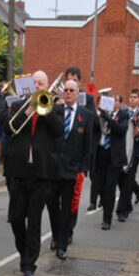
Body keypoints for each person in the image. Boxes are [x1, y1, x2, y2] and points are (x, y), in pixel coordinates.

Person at [5, 70, 63, 276]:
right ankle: (23, 254)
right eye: (35, 82)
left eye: (41, 83)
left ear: (47, 86)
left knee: (35, 219)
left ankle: (29, 264)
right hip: (19, 171)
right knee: (16, 218)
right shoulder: (20, 105)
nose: (38, 85)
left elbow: (58, 131)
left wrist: (44, 109)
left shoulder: (55, 107)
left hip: (42, 173)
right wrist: (29, 109)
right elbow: (8, 127)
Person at [46, 79, 92, 260]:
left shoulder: (85, 115)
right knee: (51, 205)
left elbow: (88, 145)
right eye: (65, 90)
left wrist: (84, 169)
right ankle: (55, 236)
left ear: (78, 93)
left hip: (72, 170)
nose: (68, 93)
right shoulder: (55, 110)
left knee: (67, 209)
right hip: (53, 168)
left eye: (72, 90)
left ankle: (62, 244)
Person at [95, 92, 130, 230]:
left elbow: (120, 130)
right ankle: (104, 205)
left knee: (110, 188)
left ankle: (107, 219)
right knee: (100, 186)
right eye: (112, 100)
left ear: (120, 103)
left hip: (114, 156)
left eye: (116, 100)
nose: (113, 102)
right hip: (101, 153)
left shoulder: (124, 116)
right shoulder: (103, 114)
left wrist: (109, 118)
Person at [115, 88, 139, 222]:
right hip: (122, 150)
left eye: (135, 97)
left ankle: (121, 210)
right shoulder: (124, 112)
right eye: (130, 97)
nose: (132, 99)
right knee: (120, 178)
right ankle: (129, 202)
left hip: (135, 152)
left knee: (128, 180)